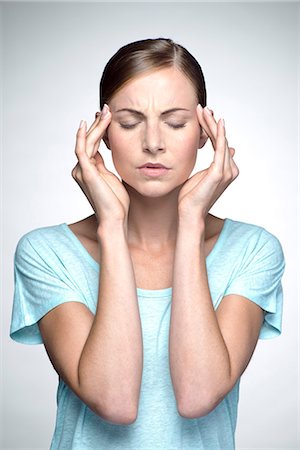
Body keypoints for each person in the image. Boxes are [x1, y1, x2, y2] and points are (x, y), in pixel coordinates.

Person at [10, 37, 285, 450]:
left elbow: (198, 396)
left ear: (204, 133)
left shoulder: (252, 250)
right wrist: (112, 224)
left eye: (175, 123)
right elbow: (115, 400)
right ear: (102, 132)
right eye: (129, 122)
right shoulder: (47, 252)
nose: (153, 141)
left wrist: (191, 221)